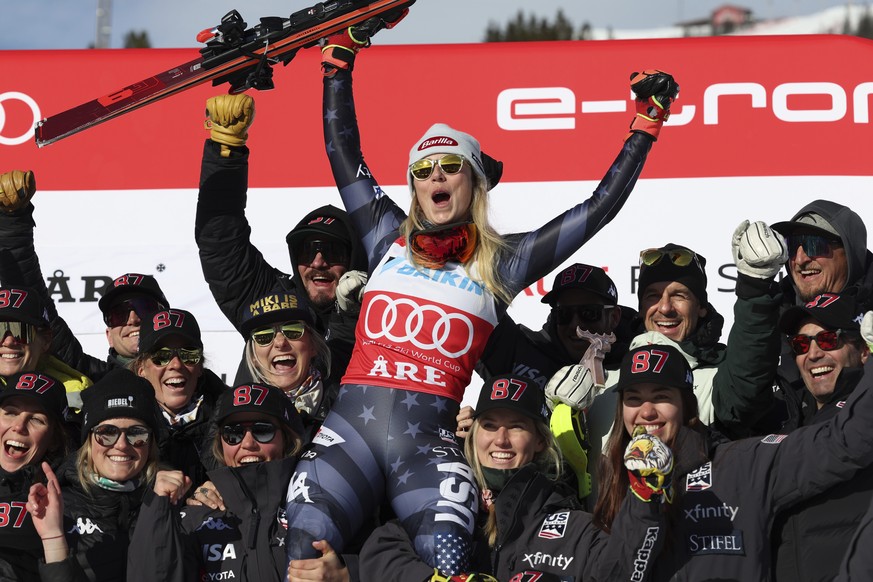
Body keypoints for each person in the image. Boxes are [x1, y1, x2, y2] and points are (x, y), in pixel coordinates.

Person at [275, 21, 678, 578]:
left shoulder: (502, 262)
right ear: (413, 186)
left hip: (428, 450)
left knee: (450, 558)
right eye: (422, 170)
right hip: (348, 436)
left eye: (449, 167)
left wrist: (644, 126)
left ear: (474, 182)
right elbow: (341, 148)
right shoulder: (381, 233)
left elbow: (597, 208)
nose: (435, 176)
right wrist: (338, 63)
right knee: (304, 545)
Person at [594, 342, 873, 580]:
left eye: (661, 397)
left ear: (685, 405)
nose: (646, 412)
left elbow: (843, 443)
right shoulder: (611, 477)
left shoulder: (743, 464)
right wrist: (644, 498)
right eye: (633, 399)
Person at [358, 373, 667, 581]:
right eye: (490, 425)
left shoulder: (569, 524)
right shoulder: (443, 502)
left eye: (517, 426)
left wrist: (643, 504)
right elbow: (380, 548)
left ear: (540, 441)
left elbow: (620, 570)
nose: (501, 440)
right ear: (474, 435)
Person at [194, 106, 368, 389]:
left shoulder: (383, 314)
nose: (318, 262)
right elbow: (220, 241)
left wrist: (354, 315)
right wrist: (226, 151)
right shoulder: (269, 300)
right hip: (257, 431)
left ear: (353, 257)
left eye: (332, 251)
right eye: (307, 251)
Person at [128, 382, 310, 582]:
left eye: (263, 430)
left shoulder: (317, 505)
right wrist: (158, 508)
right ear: (220, 444)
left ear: (287, 439)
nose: (248, 443)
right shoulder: (195, 518)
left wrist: (346, 572)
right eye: (233, 433)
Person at [0, 170, 171, 382]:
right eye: (119, 314)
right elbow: (30, 304)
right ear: (108, 334)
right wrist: (14, 223)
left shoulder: (206, 388)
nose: (133, 319)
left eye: (145, 308)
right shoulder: (91, 379)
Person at [769, 290, 872, 582]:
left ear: (863, 350)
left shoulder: (865, 411)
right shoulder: (788, 419)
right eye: (801, 344)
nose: (813, 354)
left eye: (829, 340)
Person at [26, 369, 160, 581]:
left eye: (137, 433)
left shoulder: (169, 500)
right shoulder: (53, 508)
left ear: (151, 443)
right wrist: (54, 537)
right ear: (89, 441)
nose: (122, 445)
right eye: (107, 433)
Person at [131, 307, 227, 487]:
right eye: (161, 356)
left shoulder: (231, 416)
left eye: (188, 355)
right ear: (141, 369)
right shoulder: (121, 419)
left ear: (200, 367)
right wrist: (144, 482)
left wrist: (227, 488)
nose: (176, 364)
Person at [236, 288, 333, 441]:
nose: (280, 343)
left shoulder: (344, 404)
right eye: (263, 336)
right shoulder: (235, 417)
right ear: (254, 356)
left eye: (293, 330)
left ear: (313, 345)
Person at [0, 371, 69, 580]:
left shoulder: (64, 497)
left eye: (37, 419)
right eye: (10, 412)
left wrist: (54, 539)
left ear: (55, 438)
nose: (19, 426)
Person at [0, 285, 93, 410]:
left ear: (45, 340)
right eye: (0, 330)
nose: (8, 341)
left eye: (21, 331)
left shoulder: (74, 395)